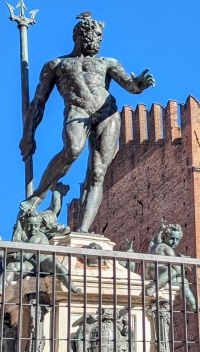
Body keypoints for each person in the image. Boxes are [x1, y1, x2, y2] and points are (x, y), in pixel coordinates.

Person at [19, 12, 155, 232]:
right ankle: (38, 196)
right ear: (79, 37)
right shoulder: (57, 64)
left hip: (107, 112)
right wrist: (28, 134)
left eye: (99, 38)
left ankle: (82, 230)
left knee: (98, 172)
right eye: (92, 37)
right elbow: (38, 102)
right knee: (72, 150)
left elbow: (130, 85)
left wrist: (139, 83)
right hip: (77, 110)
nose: (96, 42)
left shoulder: (107, 63)